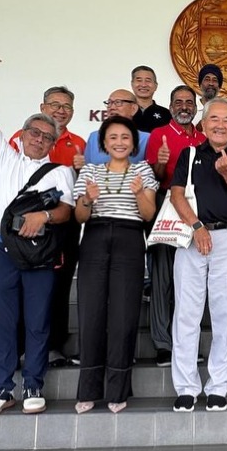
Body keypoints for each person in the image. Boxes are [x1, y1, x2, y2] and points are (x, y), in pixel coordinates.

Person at [0, 57, 75, 416]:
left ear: (53, 141)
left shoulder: (60, 172)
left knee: (37, 321)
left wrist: (44, 214)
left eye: (47, 137)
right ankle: (0, 389)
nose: (39, 139)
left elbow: (68, 211)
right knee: (2, 323)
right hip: (1, 252)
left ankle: (33, 384)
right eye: (34, 132)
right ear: (23, 133)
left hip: (39, 255)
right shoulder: (5, 158)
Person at [170, 98, 227, 413]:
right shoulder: (189, 153)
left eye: (226, 120)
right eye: (214, 119)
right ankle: (186, 387)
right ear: (204, 125)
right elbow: (176, 194)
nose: (220, 125)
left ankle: (218, 386)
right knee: (187, 314)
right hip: (193, 237)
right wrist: (196, 226)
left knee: (225, 313)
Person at [73, 115, 158, 414]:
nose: (119, 142)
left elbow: (148, 214)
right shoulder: (90, 171)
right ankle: (87, 389)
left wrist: (137, 192)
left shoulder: (144, 171)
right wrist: (87, 199)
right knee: (91, 312)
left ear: (133, 143)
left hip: (129, 239)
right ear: (104, 143)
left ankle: (118, 390)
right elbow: (80, 217)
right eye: (113, 137)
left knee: (123, 314)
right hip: (95, 238)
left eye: (125, 137)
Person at [8, 86, 85, 366]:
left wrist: (81, 167)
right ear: (42, 107)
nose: (60, 110)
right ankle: (18, 347)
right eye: (54, 104)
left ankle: (54, 345)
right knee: (21, 286)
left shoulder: (78, 143)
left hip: (62, 223)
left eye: (66, 106)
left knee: (60, 283)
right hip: (26, 224)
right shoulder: (22, 138)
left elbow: (80, 189)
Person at [144, 85, 206, 367]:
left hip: (197, 213)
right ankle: (162, 344)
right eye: (178, 101)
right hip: (167, 207)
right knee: (163, 278)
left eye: (188, 102)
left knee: (191, 281)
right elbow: (154, 177)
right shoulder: (160, 134)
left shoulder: (204, 137)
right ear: (170, 106)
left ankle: (188, 343)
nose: (184, 106)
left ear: (195, 107)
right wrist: (161, 163)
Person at [85, 90, 150, 164]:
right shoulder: (94, 136)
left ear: (133, 109)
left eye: (118, 103)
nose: (112, 107)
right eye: (109, 103)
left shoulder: (146, 139)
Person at [131, 65, 172, 132]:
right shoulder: (124, 110)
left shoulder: (167, 114)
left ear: (156, 86)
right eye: (139, 80)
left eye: (148, 80)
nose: (143, 85)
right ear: (132, 84)